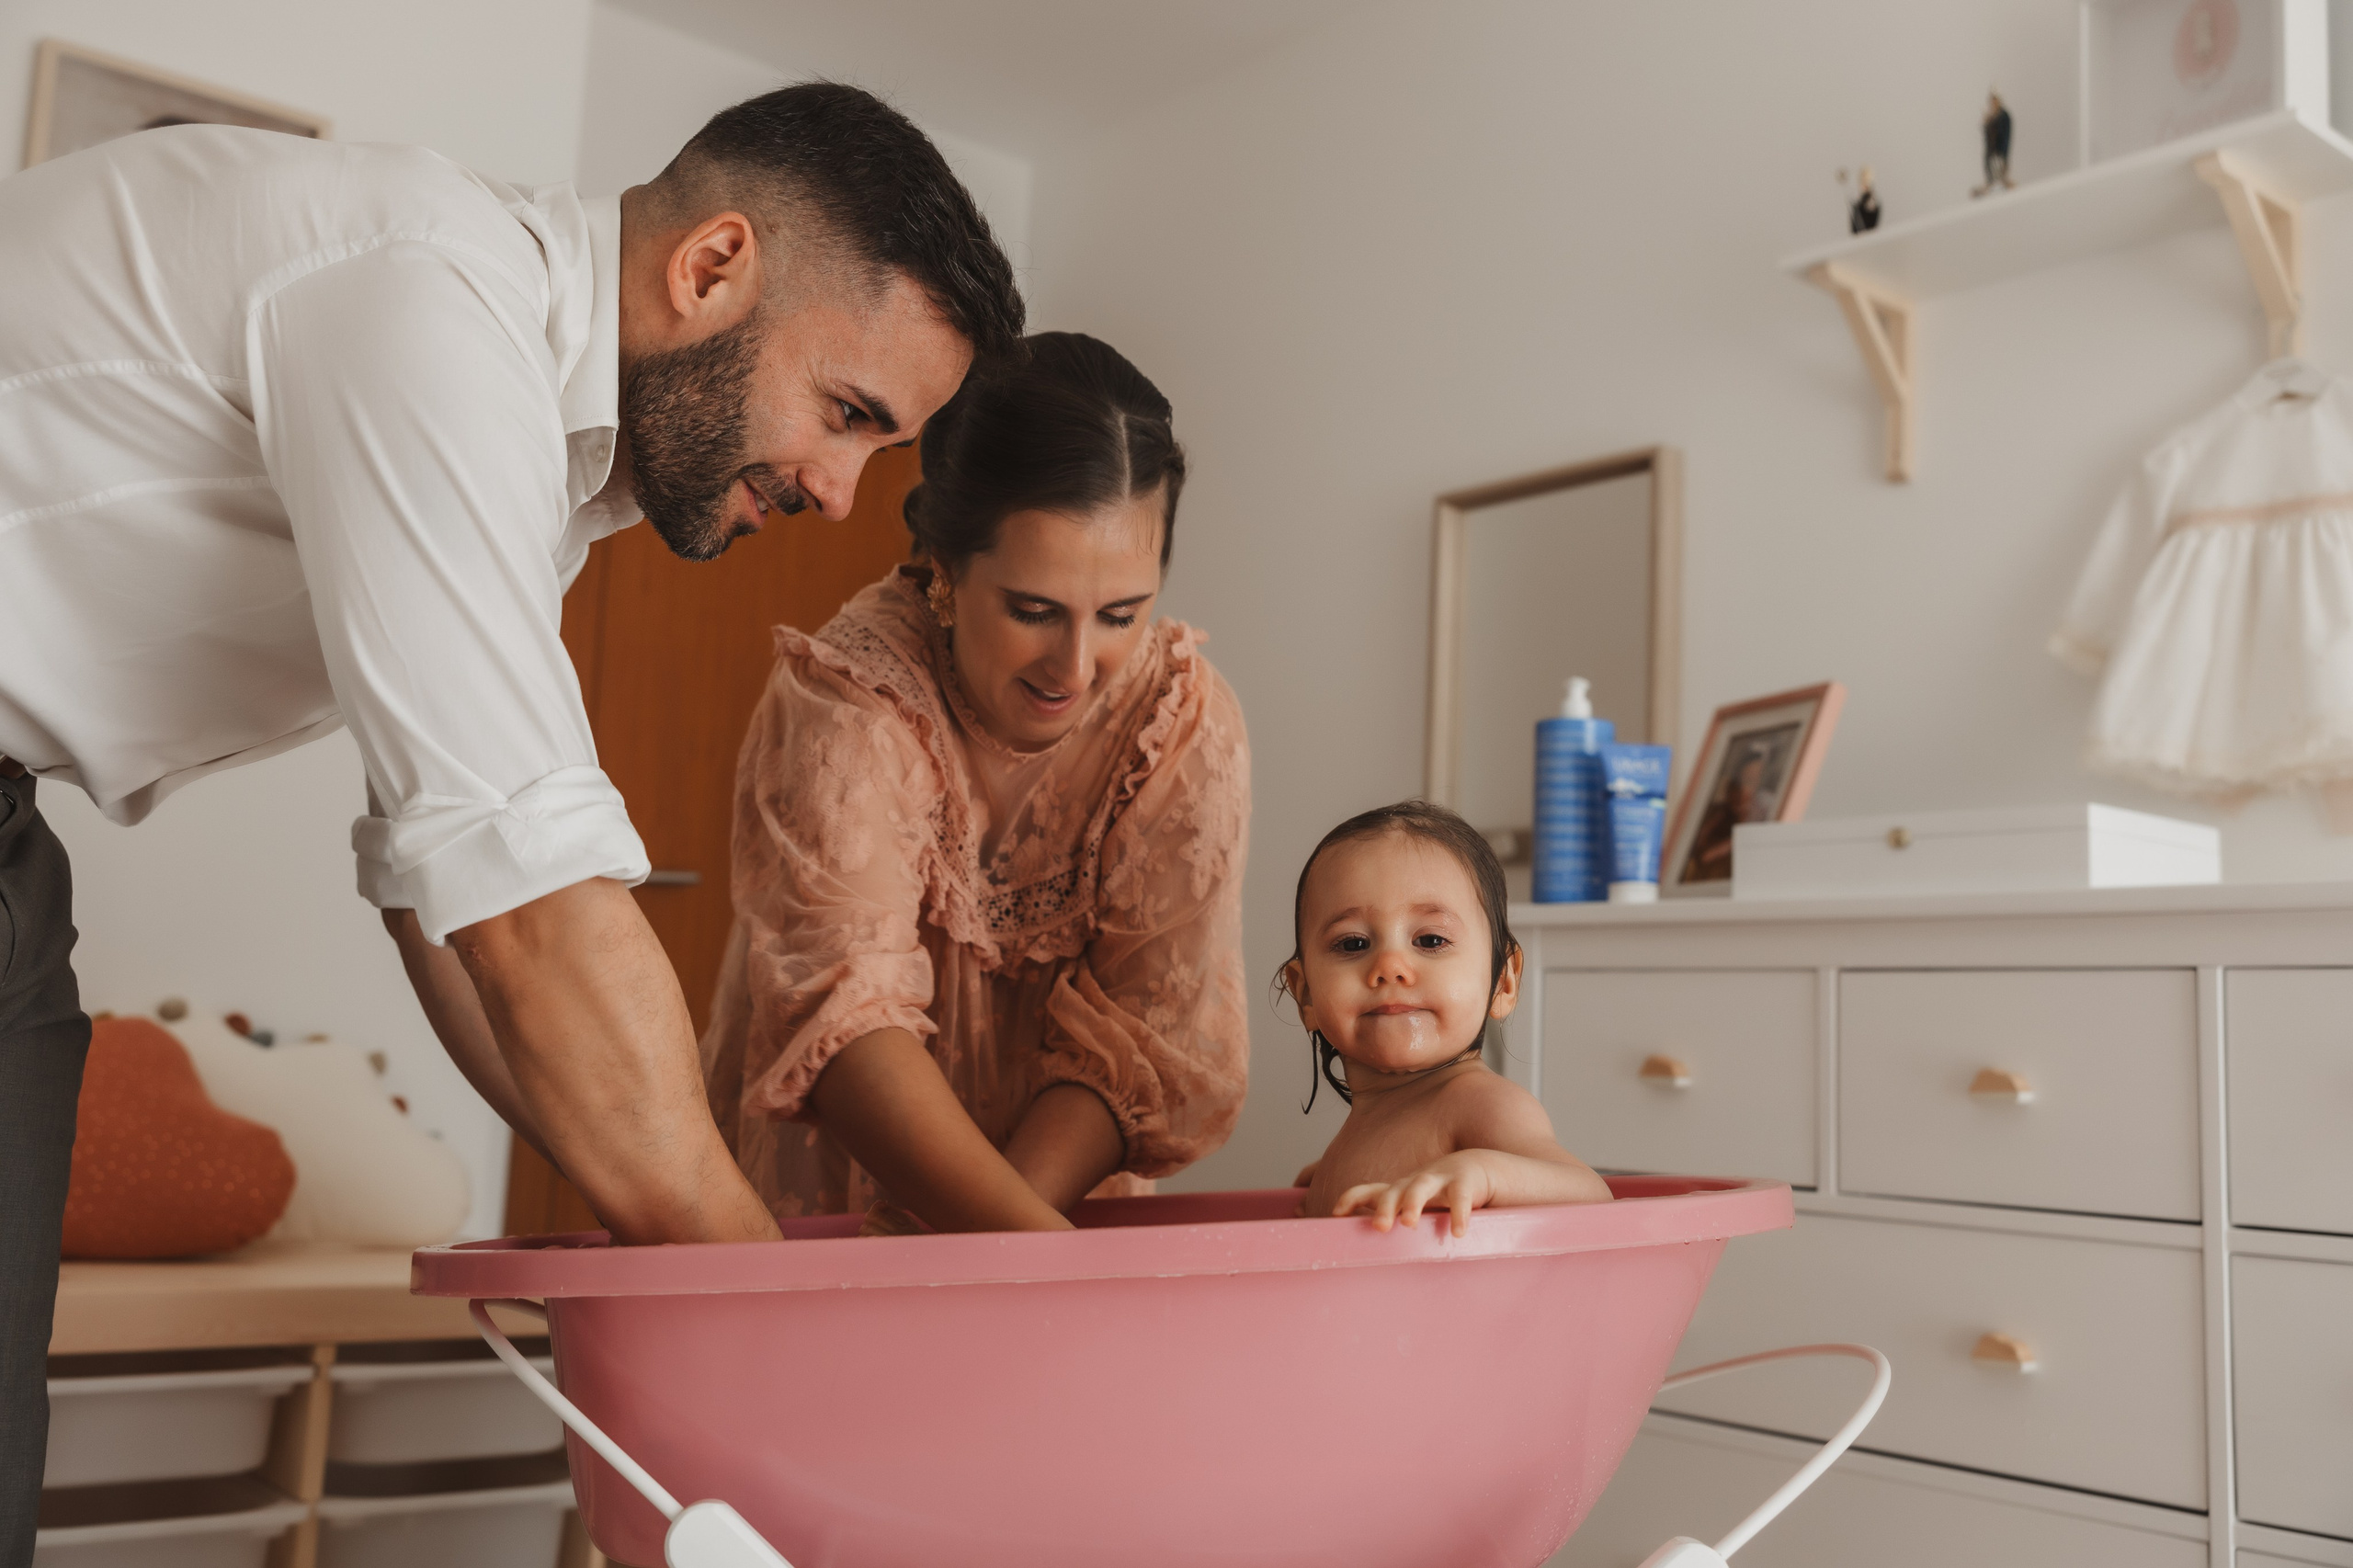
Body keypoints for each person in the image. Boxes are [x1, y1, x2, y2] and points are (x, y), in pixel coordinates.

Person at [0, 82, 1022, 1560]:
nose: (840, 492)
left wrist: (656, 1243)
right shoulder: (425, 303)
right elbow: (537, 918)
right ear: (713, 265)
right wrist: (805, 1358)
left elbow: (452, 899)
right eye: (847, 415)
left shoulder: (535, 474)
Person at [700, 333, 1250, 1233]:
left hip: (1055, 1202)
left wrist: (1010, 1247)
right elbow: (845, 1011)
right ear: (945, 570)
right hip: (844, 1196)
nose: (1075, 667)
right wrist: (1022, 1253)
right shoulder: (851, 698)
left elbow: (1149, 1023)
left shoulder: (1178, 719)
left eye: (1120, 614)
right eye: (1033, 611)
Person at [1283, 801, 1611, 1233]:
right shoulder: (1359, 1132)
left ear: (1504, 982)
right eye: (1352, 944)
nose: (1390, 966)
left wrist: (1485, 1173)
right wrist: (1329, 1183)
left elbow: (1589, 1193)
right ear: (1305, 993)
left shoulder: (1479, 1105)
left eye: (1431, 939)